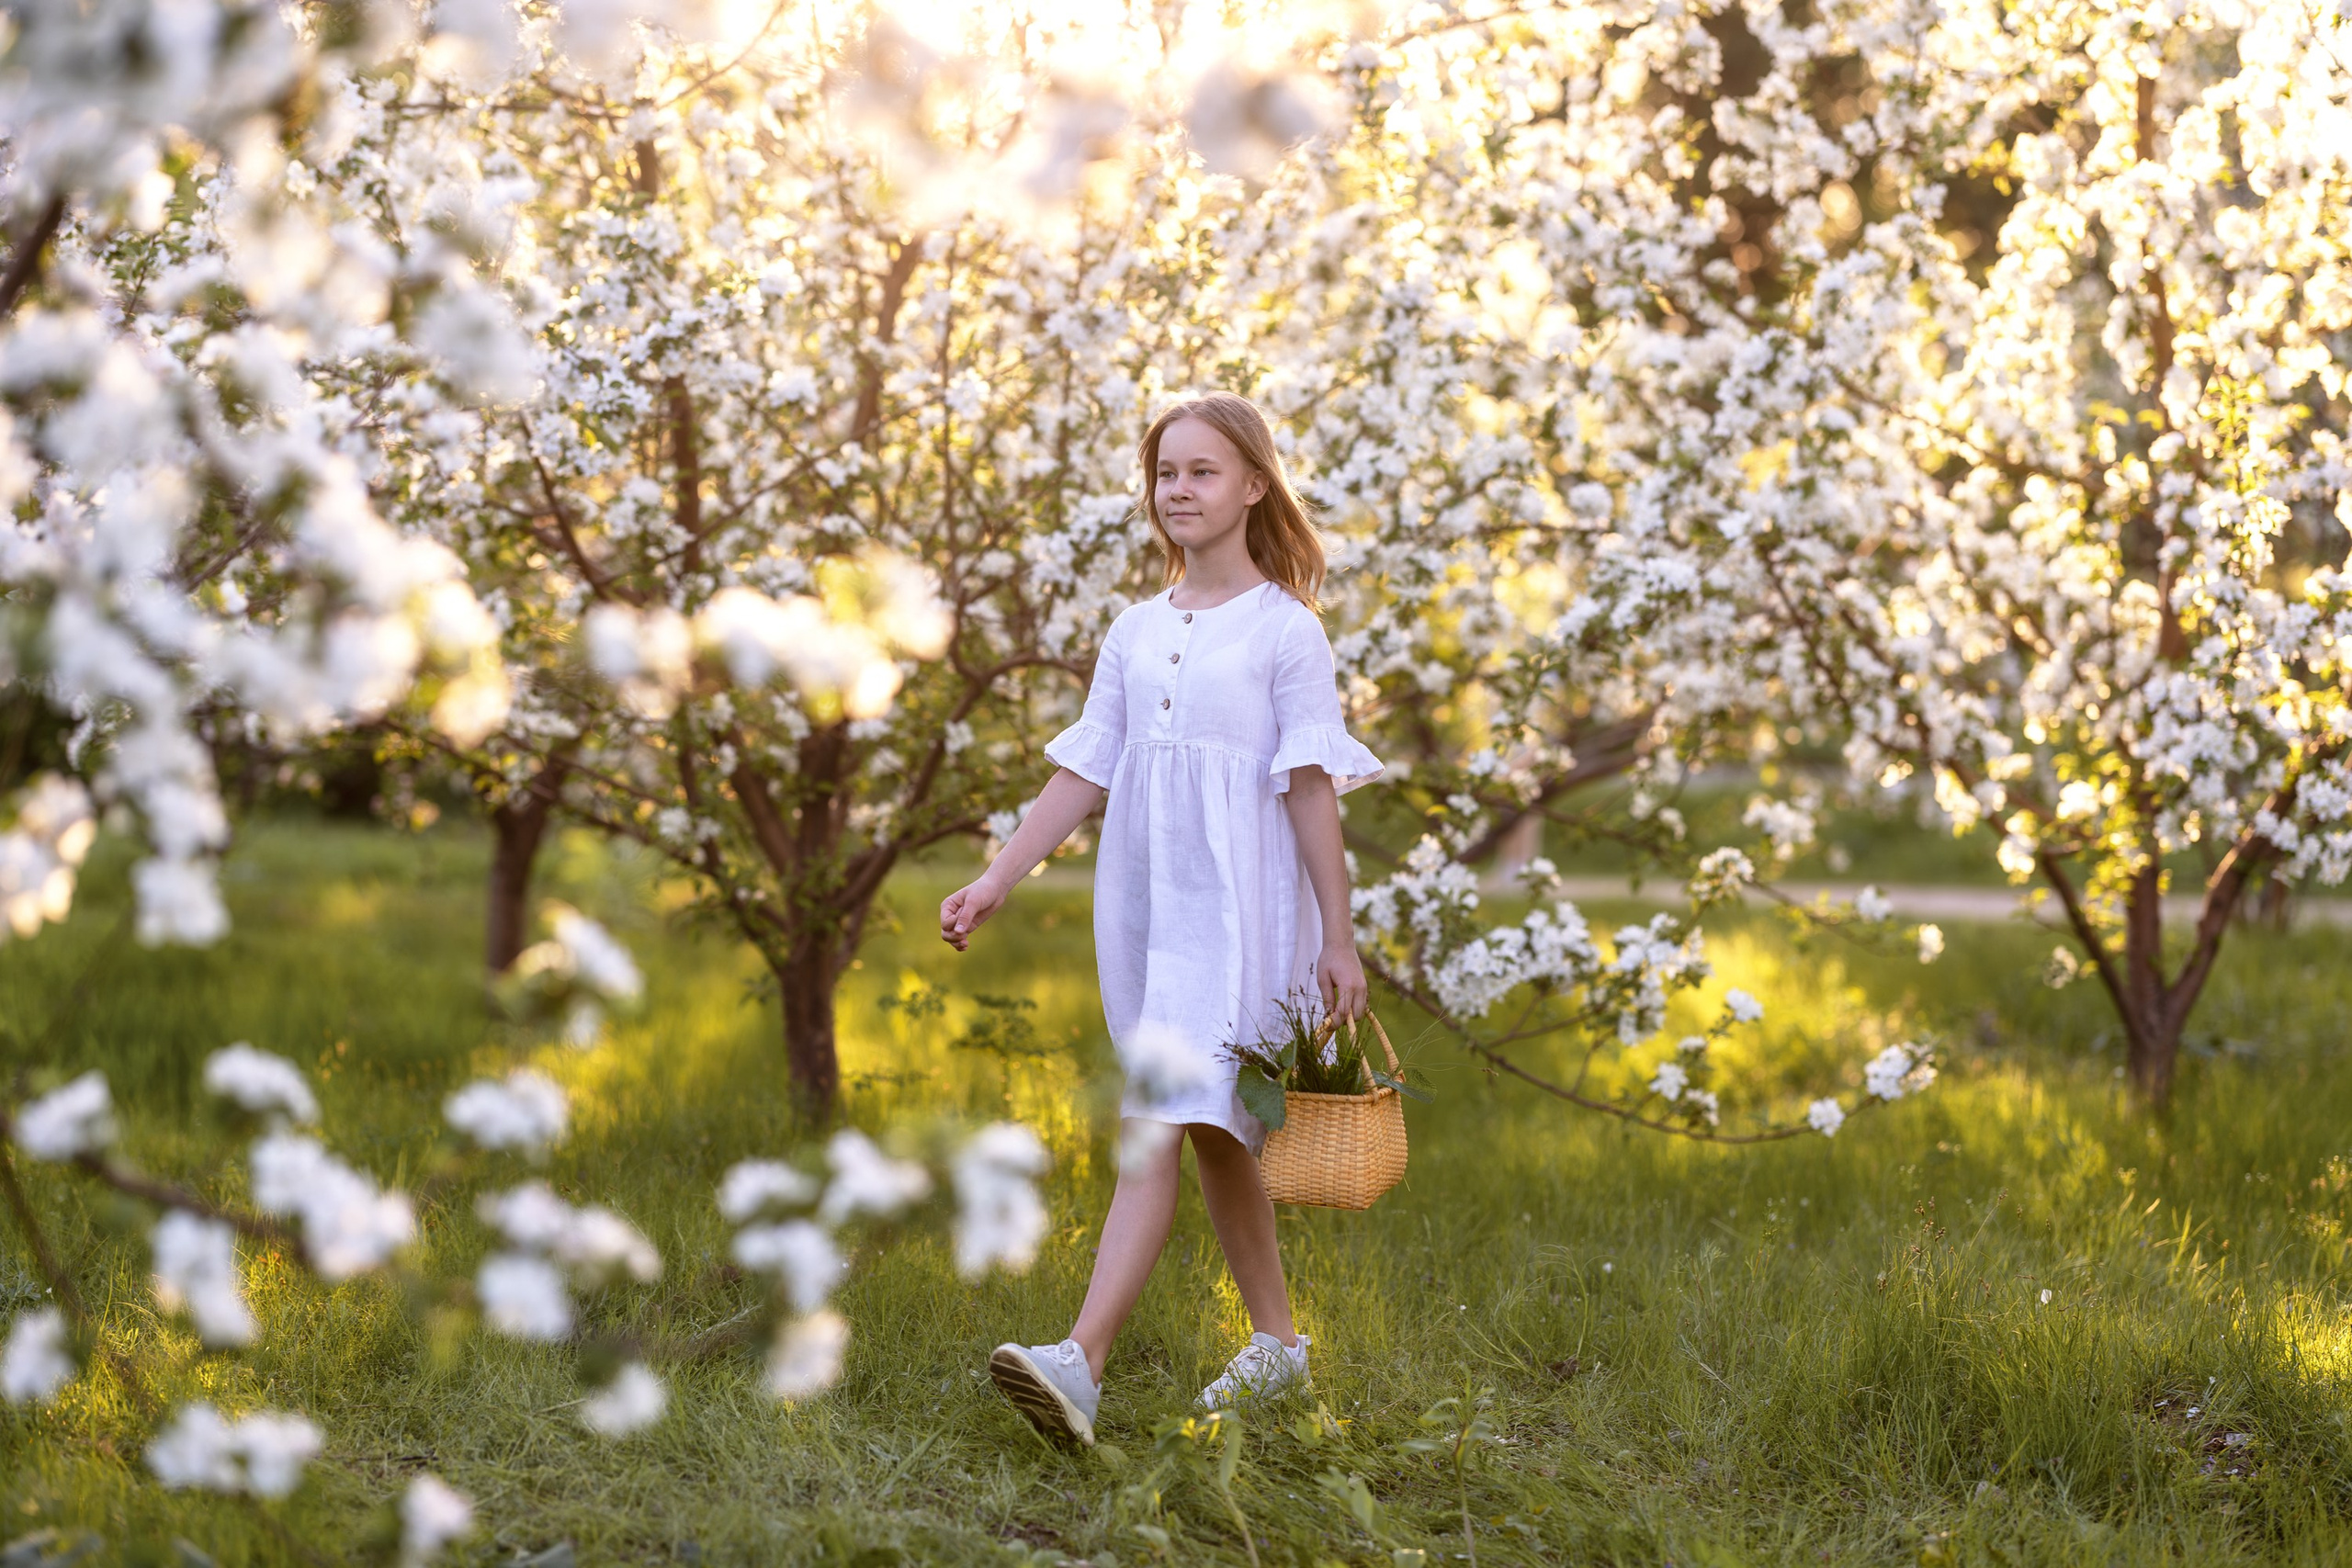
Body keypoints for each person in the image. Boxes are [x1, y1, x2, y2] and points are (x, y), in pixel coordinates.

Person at [939, 391, 1384, 1447]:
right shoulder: (1135, 631)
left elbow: (1312, 788)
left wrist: (1337, 936)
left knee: (1159, 1122)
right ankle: (1277, 1351)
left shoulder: (1285, 631)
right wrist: (998, 876)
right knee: (1220, 1137)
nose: (1177, 491)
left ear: (1252, 487)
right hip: (1151, 908)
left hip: (1244, 916)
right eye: (1165, 473)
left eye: (1201, 472)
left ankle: (1079, 1362)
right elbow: (1085, 767)